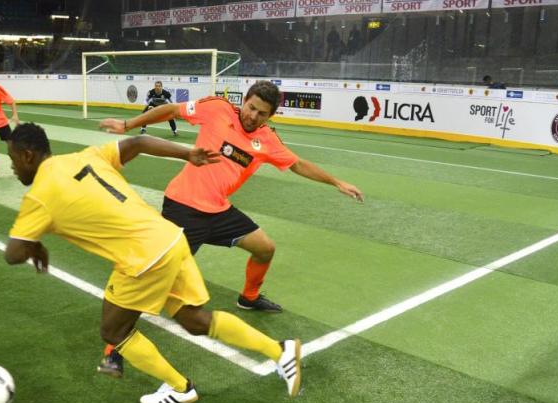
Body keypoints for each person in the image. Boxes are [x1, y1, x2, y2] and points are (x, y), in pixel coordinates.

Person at [3, 123, 302, 403]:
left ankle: (179, 387)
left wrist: (35, 243)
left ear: (28, 155)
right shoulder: (85, 155)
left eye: (14, 159)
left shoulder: (39, 195)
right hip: (170, 238)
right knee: (193, 319)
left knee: (114, 331)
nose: (14, 167)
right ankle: (280, 350)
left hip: (144, 257)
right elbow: (139, 142)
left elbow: (13, 253)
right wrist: (187, 154)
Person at [97, 80, 363, 376]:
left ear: (270, 116)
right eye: (251, 108)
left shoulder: (268, 141)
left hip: (219, 211)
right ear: (244, 100)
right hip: (184, 207)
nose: (253, 116)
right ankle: (114, 347)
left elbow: (298, 164)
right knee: (156, 276)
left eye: (262, 113)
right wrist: (128, 123)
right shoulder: (216, 109)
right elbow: (171, 108)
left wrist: (337, 182)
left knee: (265, 248)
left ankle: (248, 298)